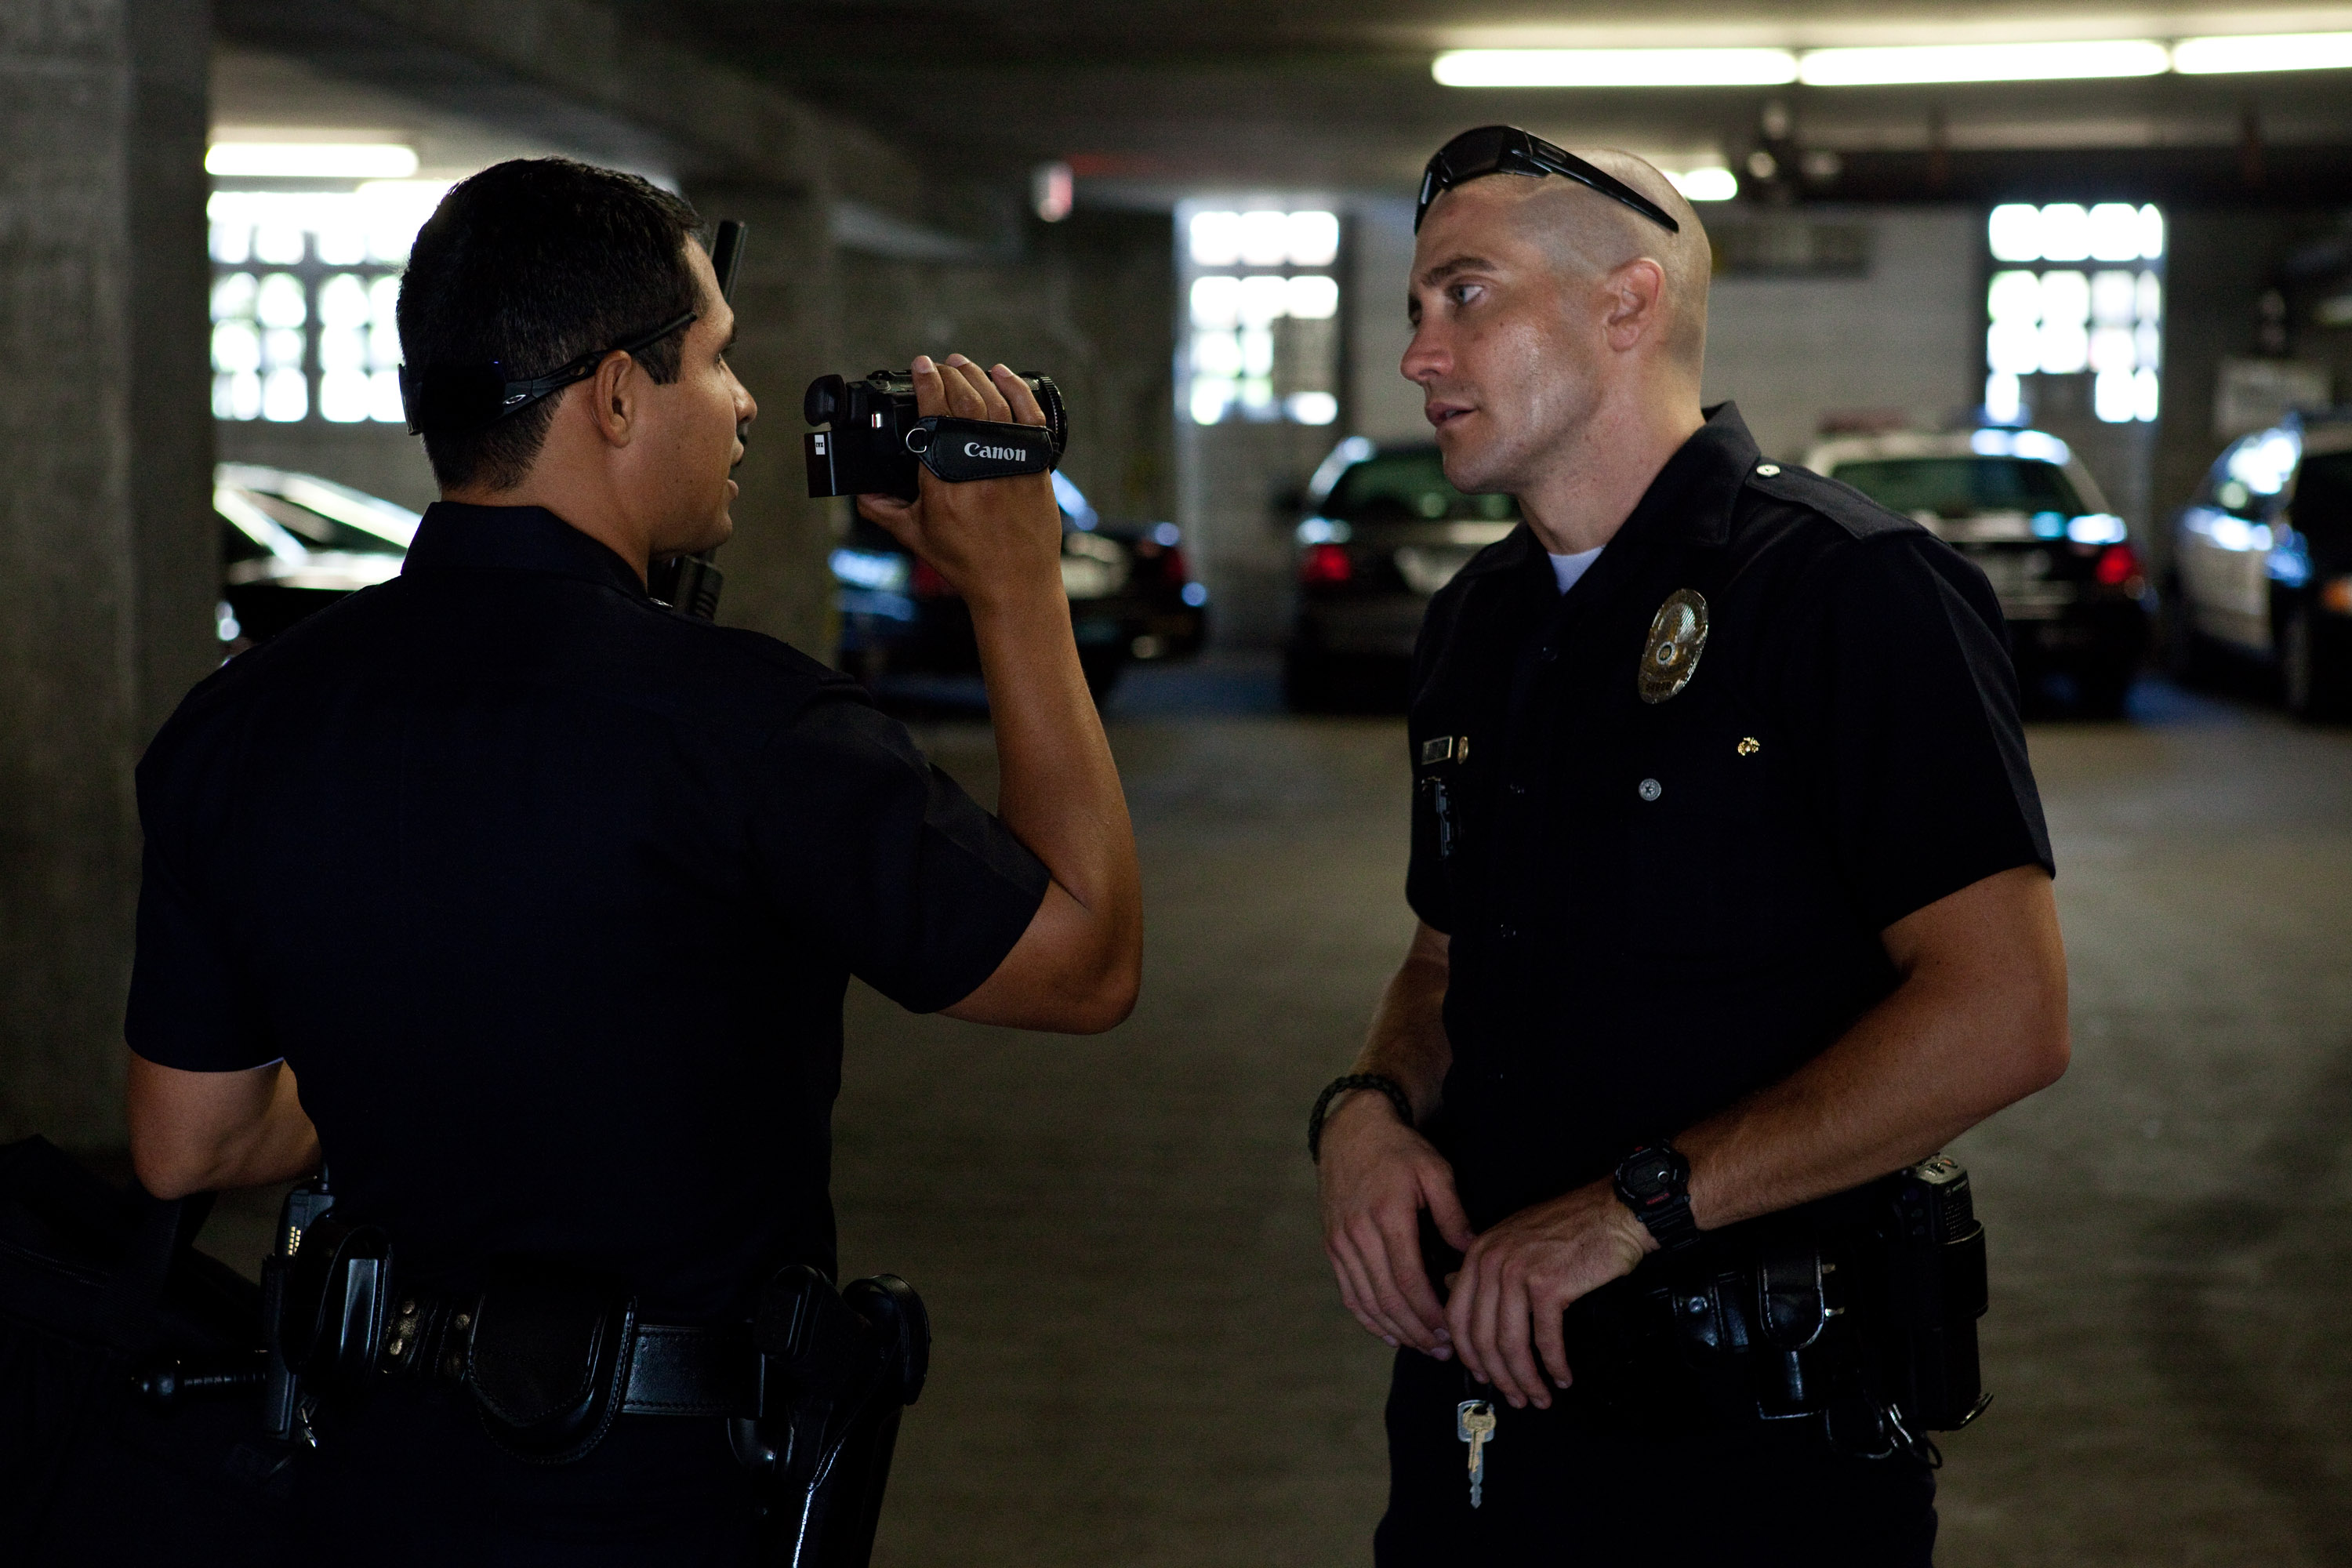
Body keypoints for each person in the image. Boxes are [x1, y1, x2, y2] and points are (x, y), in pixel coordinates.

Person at [122, 158, 1140, 1564]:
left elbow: (195, 1143)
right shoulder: (750, 726)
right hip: (670, 1499)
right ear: (613, 395)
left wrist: (427, 1028)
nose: (738, 406)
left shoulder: (234, 727)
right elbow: (1084, 964)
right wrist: (1018, 586)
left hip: (369, 1483)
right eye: (715, 360)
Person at [1311, 126, 2071, 1565]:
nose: (1418, 354)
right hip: (1482, 1428)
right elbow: (1441, 955)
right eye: (1415, 309)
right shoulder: (1477, 624)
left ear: (1627, 303)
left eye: (1464, 295)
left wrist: (1632, 1211)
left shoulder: (1852, 594)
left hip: (1752, 1455)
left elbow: (2008, 1014)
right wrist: (1365, 1111)